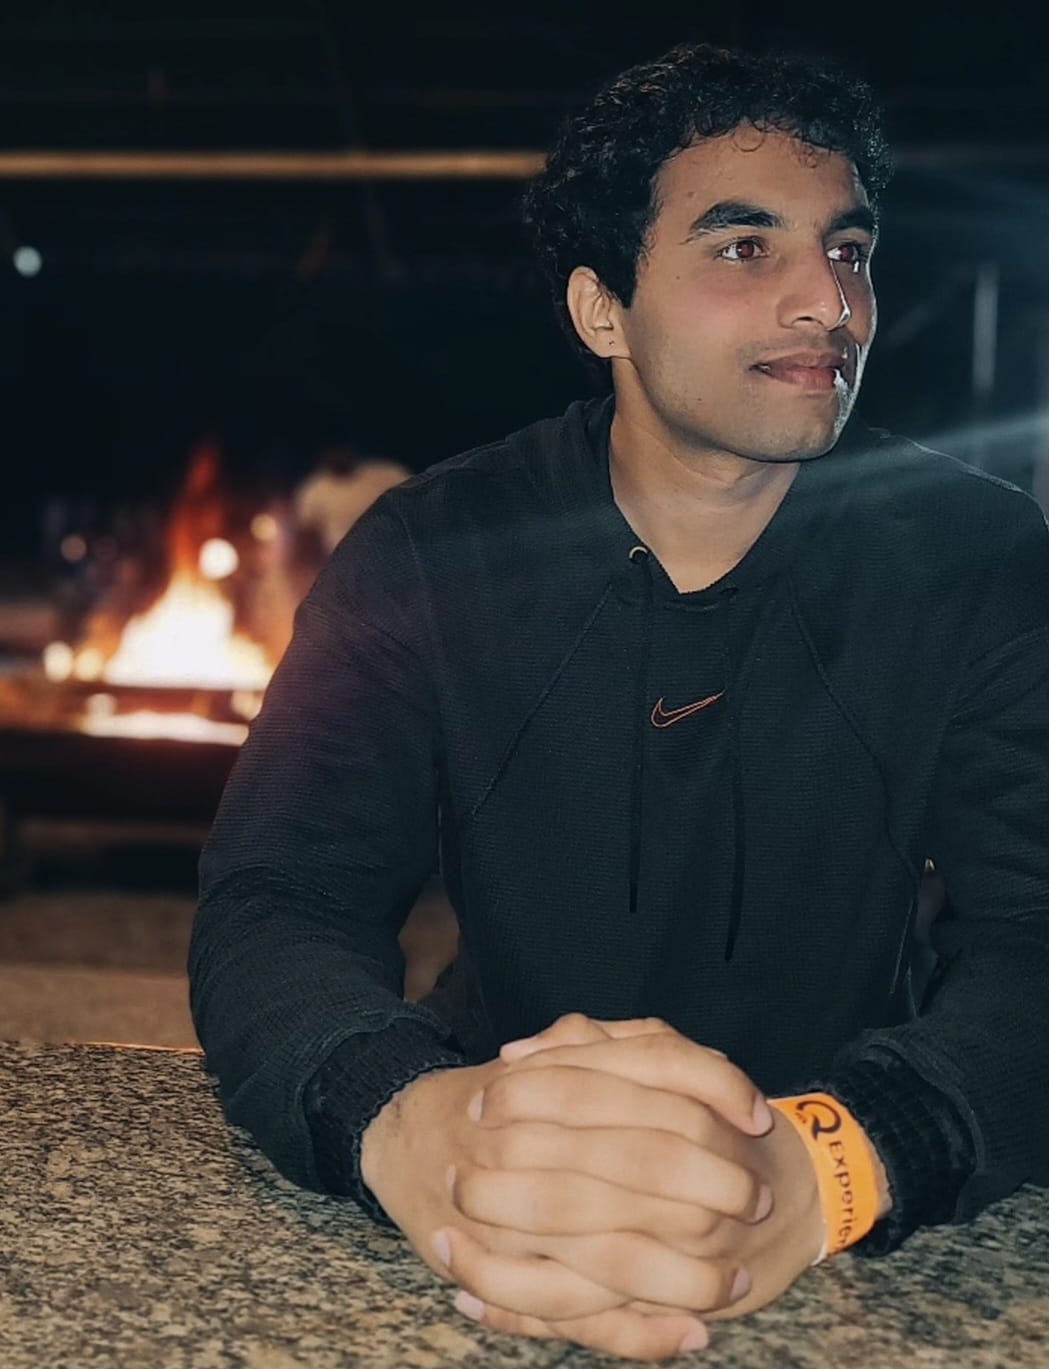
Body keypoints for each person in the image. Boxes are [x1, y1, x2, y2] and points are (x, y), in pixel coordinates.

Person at [189, 42, 1049, 1363]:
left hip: (848, 1160)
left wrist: (830, 1164)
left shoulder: (981, 556)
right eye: (743, 248)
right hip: (490, 1144)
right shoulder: (432, 548)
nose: (830, 299)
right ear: (602, 308)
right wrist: (413, 1124)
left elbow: (1033, 939)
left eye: (850, 250)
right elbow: (279, 904)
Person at [292, 441, 411, 563]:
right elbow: (308, 533)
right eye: (330, 453)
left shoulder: (386, 474)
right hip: (347, 564)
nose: (336, 457)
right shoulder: (314, 490)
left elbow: (413, 503)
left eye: (340, 451)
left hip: (393, 553)